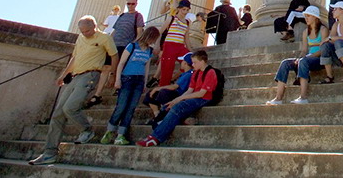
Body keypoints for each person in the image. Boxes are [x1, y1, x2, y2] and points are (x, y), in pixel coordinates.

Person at [29, 16, 118, 165]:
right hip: (76, 75)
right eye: (82, 31)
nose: (85, 33)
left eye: (87, 30)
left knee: (70, 107)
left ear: (95, 26)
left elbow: (114, 56)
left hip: (91, 74)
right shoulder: (81, 38)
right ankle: (49, 153)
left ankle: (87, 130)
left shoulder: (104, 38)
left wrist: (112, 74)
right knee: (58, 113)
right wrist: (64, 75)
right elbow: (75, 57)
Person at [137, 49, 219, 147]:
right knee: (171, 105)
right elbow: (189, 90)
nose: (193, 65)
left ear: (202, 62)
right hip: (194, 96)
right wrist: (175, 100)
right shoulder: (196, 73)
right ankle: (160, 127)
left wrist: (180, 99)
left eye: (195, 63)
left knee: (177, 107)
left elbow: (201, 94)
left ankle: (156, 137)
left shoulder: (210, 72)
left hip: (204, 99)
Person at [99, 26, 160, 146]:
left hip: (139, 80)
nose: (153, 41)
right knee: (121, 106)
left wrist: (145, 81)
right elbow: (121, 63)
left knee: (131, 108)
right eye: (154, 38)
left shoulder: (149, 51)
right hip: (127, 78)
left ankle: (121, 134)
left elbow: (146, 67)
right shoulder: (131, 46)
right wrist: (117, 79)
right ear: (149, 36)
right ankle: (110, 131)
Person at [267, 5, 329, 105]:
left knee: (303, 61)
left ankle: (303, 97)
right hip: (308, 59)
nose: (306, 18)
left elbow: (324, 50)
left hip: (320, 59)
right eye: (306, 16)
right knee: (285, 63)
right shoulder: (305, 32)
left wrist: (306, 58)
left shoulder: (323, 30)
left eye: (308, 16)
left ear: (315, 17)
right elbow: (304, 50)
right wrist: (299, 58)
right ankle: (278, 98)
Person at [143, 53, 194, 126]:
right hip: (175, 93)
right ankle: (157, 114)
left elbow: (175, 86)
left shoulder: (188, 74)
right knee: (150, 94)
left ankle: (163, 116)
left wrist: (158, 88)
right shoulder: (184, 74)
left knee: (163, 92)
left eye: (182, 61)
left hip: (178, 95)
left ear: (185, 63)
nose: (181, 63)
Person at [158, 0, 192, 86]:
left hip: (180, 46)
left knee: (190, 60)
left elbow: (186, 38)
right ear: (179, 9)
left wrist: (191, 50)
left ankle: (174, 79)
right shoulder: (171, 18)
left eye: (187, 10)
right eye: (183, 9)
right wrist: (157, 46)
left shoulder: (187, 22)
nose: (185, 12)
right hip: (169, 46)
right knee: (167, 71)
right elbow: (160, 32)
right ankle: (162, 92)